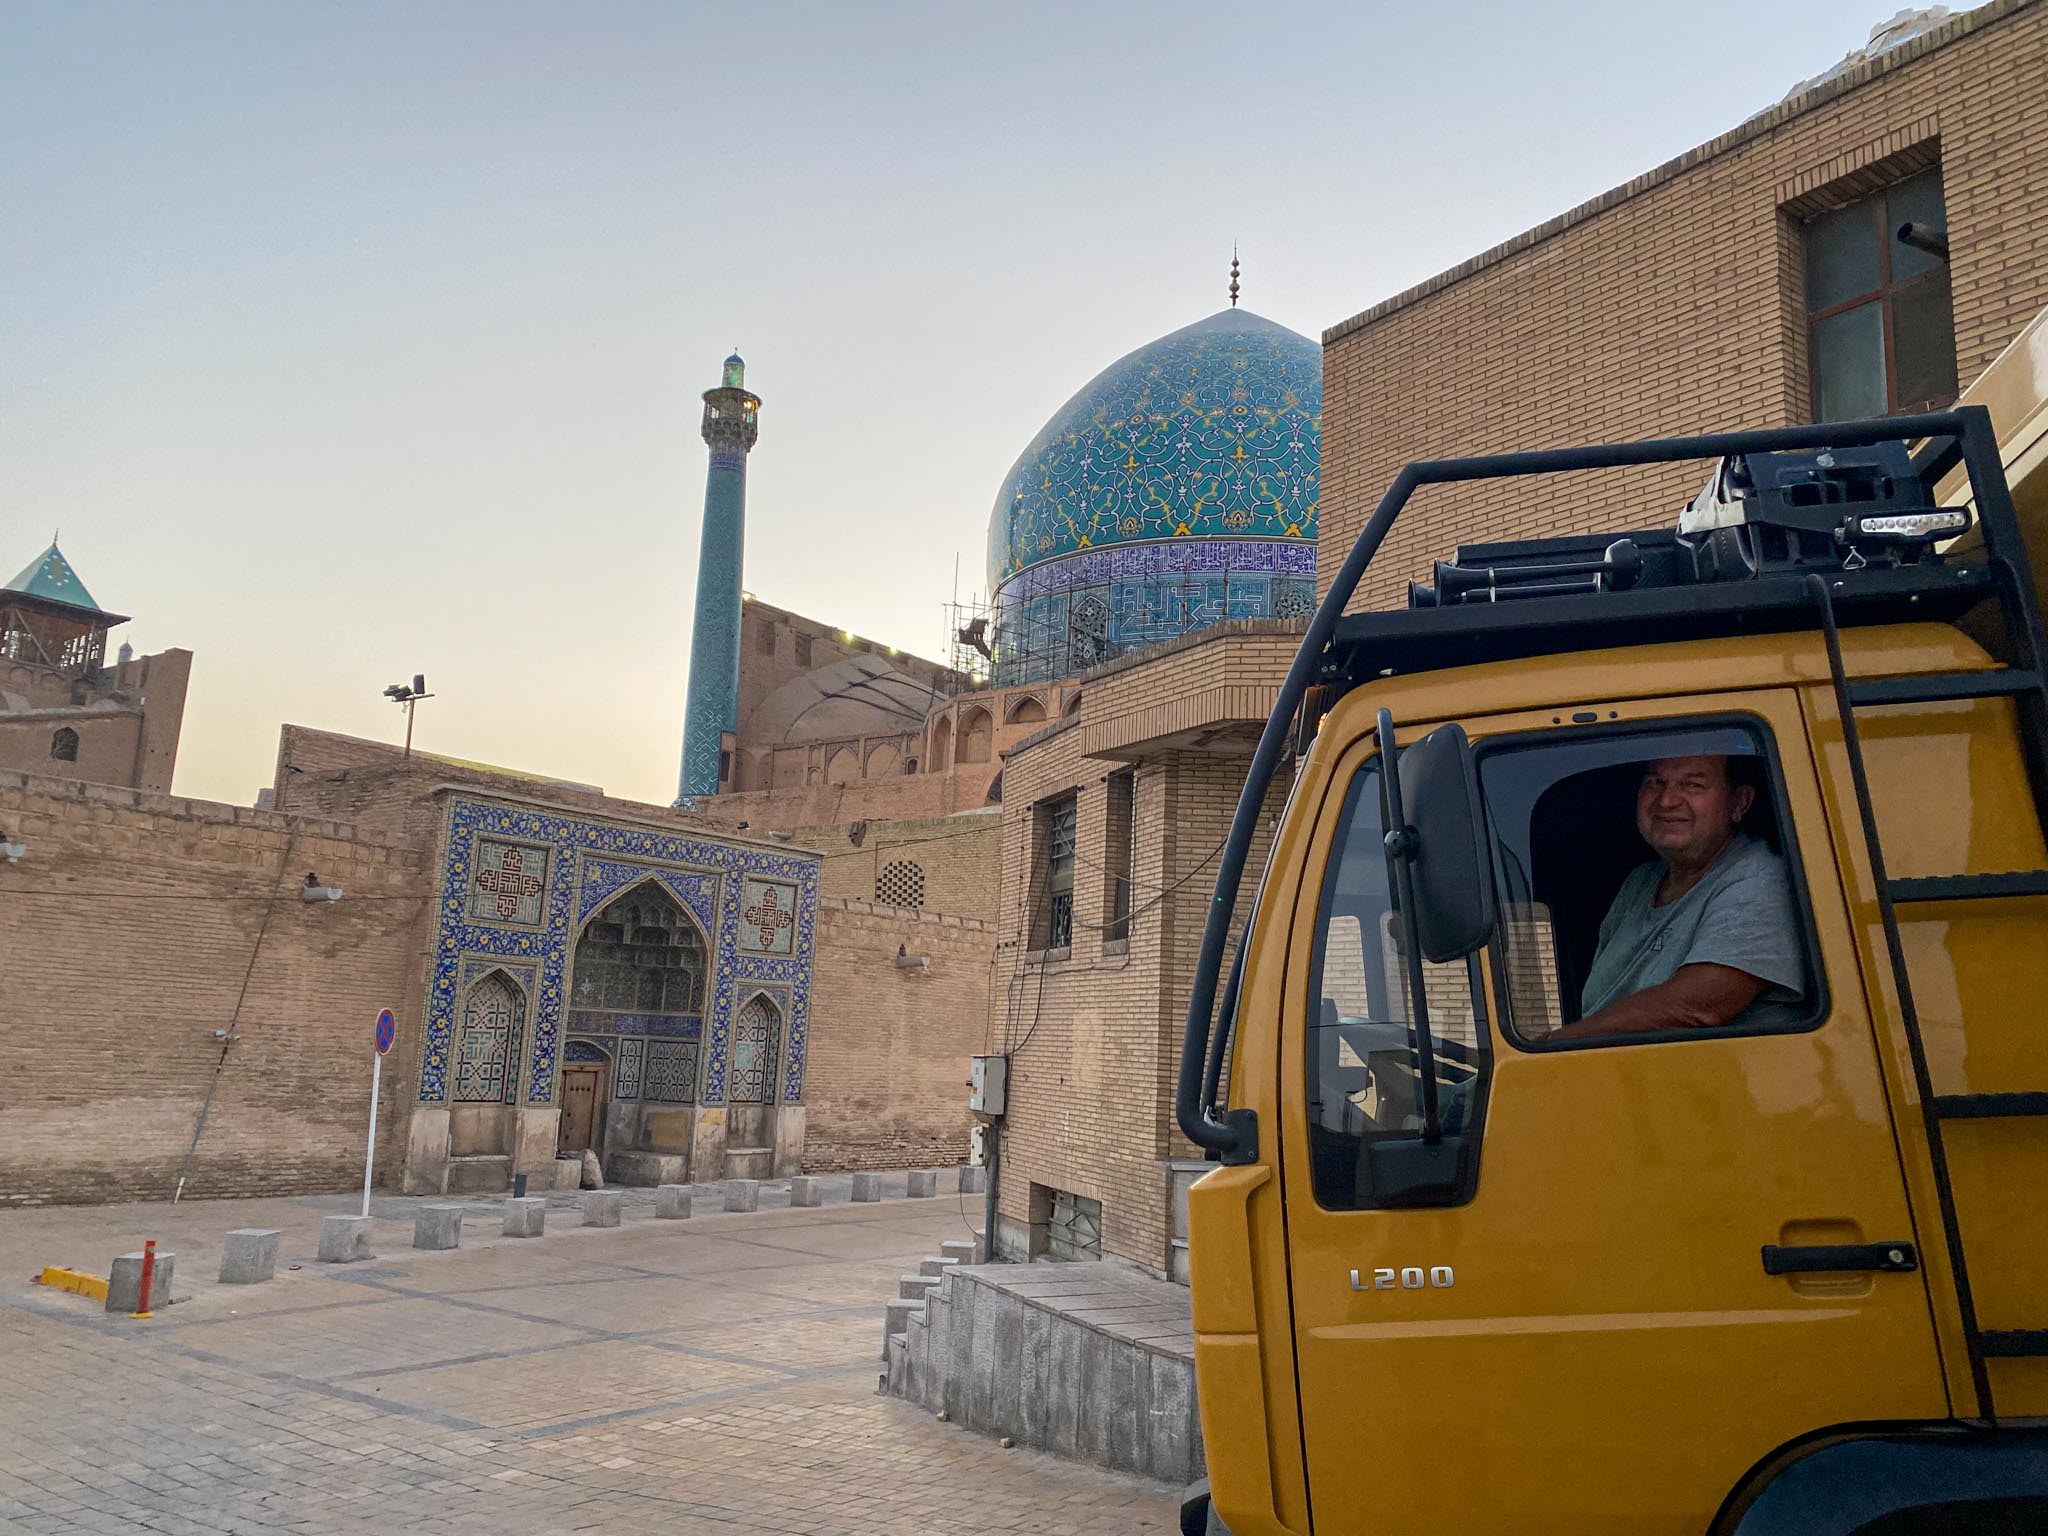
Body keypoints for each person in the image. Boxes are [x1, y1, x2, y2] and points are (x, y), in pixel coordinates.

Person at [1551, 753, 1804, 1041]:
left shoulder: (1759, 880)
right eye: (1655, 782)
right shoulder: (1641, 882)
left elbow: (1697, 1006)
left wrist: (1556, 1046)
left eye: (1693, 785)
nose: (1667, 800)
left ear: (1739, 803)